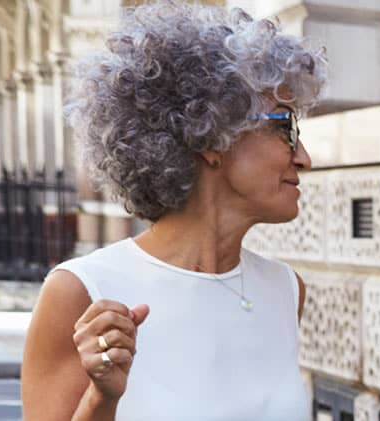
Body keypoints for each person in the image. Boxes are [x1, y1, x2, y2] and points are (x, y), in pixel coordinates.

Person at [19, 2, 326, 420]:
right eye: (284, 127)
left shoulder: (285, 289)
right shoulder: (82, 291)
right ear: (212, 135)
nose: (304, 157)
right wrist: (102, 398)